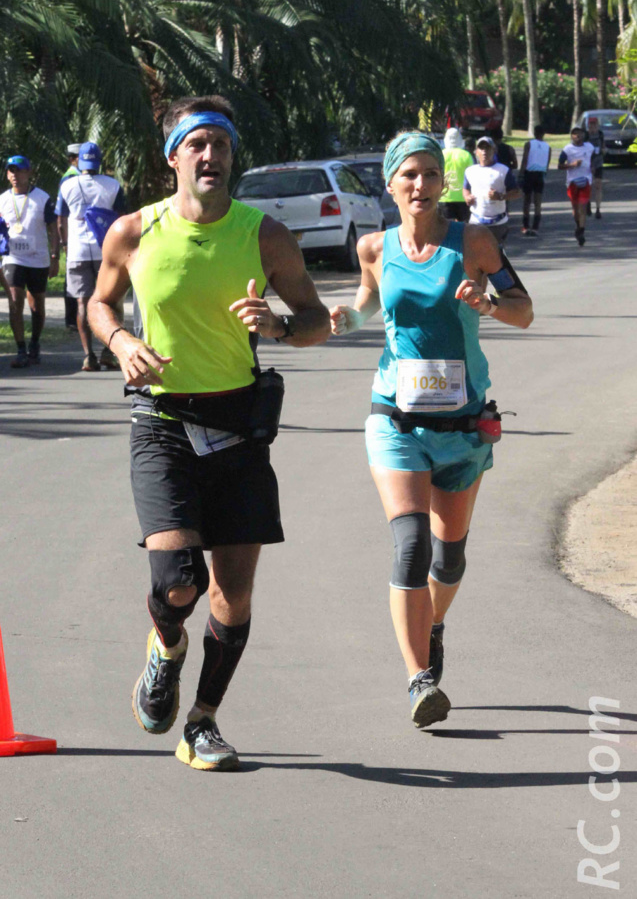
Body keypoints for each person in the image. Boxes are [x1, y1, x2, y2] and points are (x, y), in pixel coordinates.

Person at [88, 94, 330, 770]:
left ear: (231, 157)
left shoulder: (264, 235)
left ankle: (202, 723)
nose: (210, 156)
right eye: (197, 144)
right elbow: (99, 301)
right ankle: (164, 649)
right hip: (161, 419)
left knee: (234, 592)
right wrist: (120, 339)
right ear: (173, 157)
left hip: (238, 426)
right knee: (177, 582)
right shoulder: (134, 232)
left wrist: (279, 326)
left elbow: (315, 320)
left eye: (220, 146)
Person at [330, 131, 533, 729]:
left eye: (429, 175)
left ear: (445, 183)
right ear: (391, 185)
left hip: (465, 425)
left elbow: (525, 310)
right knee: (412, 543)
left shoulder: (472, 240)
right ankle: (420, 679)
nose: (420, 186)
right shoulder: (374, 247)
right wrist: (347, 315)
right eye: (408, 176)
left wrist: (490, 303)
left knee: (449, 558)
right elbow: (371, 302)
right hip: (395, 420)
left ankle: (434, 623)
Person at [56, 142, 126, 370]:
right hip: (106, 250)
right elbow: (121, 218)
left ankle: (88, 356)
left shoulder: (67, 185)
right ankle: (108, 351)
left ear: (79, 161)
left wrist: (64, 245)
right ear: (99, 161)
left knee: (82, 303)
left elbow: (60, 220)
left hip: (77, 251)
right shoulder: (112, 185)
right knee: (112, 300)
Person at [0, 155, 59, 368]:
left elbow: (53, 228)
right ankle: (20, 349)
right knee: (15, 302)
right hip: (13, 258)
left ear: (29, 172)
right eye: (11, 171)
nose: (15, 175)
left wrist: (55, 256)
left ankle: (34, 343)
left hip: (38, 259)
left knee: (37, 305)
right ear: (7, 174)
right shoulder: (3, 199)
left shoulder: (42, 198)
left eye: (19, 170)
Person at [462, 136, 521, 248]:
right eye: (481, 148)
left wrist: (501, 196)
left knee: (495, 255)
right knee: (476, 253)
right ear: (476, 152)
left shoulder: (503, 170)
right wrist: (467, 197)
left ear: (494, 150)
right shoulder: (470, 171)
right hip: (476, 221)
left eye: (488, 148)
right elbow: (465, 188)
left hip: (497, 223)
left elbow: (517, 192)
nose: (484, 151)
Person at [558, 127, 595, 247]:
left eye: (579, 134)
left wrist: (593, 168)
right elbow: (559, 165)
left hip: (585, 180)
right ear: (571, 136)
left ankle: (581, 232)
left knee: (582, 208)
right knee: (575, 208)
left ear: (583, 135)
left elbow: (594, 159)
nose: (577, 136)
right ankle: (578, 225)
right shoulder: (567, 149)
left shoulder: (589, 147)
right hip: (572, 181)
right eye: (575, 134)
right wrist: (572, 165)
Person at [60, 143, 81, 330]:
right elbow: (63, 214)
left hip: (75, 238)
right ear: (72, 159)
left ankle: (73, 319)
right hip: (74, 236)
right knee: (73, 281)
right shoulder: (71, 178)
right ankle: (72, 320)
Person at [519, 125, 551, 236]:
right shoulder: (548, 147)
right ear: (544, 134)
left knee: (527, 201)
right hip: (540, 174)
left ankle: (525, 226)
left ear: (534, 132)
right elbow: (547, 164)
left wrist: (521, 174)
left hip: (529, 174)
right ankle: (535, 227)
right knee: (538, 202)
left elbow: (525, 159)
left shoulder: (529, 144)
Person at [439, 128, 474, 223]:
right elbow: (472, 176)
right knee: (463, 228)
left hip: (444, 196)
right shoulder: (466, 155)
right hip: (463, 197)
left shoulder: (441, 155)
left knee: (445, 228)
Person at [585, 116, 605, 219]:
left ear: (597, 125)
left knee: (598, 185)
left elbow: (603, 147)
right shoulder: (586, 136)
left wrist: (603, 151)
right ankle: (588, 203)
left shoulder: (600, 134)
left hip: (599, 162)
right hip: (588, 163)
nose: (592, 127)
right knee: (588, 185)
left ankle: (598, 209)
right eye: (591, 124)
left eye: (594, 124)